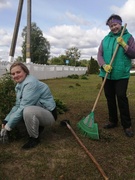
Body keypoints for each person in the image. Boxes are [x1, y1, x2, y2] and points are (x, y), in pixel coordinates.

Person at [0, 62, 57, 149]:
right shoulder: (19, 85)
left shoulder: (31, 83)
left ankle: (34, 139)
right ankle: (37, 127)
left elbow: (23, 107)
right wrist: (6, 120)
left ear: (25, 72)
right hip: (39, 110)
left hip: (49, 114)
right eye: (13, 74)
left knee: (27, 110)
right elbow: (17, 105)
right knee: (24, 110)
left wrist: (8, 127)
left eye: (18, 72)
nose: (15, 75)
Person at [97, 14, 135, 137]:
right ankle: (113, 121)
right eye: (111, 26)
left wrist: (124, 45)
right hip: (107, 73)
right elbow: (99, 55)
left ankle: (127, 125)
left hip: (121, 74)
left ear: (120, 24)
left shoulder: (128, 37)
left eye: (115, 25)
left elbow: (133, 54)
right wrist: (103, 65)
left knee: (121, 97)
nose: (113, 27)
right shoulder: (105, 39)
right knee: (110, 98)